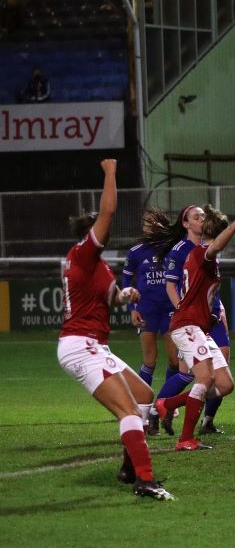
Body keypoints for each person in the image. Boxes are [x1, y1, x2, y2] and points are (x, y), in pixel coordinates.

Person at [56, 159, 173, 500]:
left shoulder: (95, 265)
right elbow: (107, 213)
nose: (105, 232)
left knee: (144, 398)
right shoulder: (84, 253)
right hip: (82, 345)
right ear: (91, 234)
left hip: (94, 344)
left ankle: (128, 468)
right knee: (130, 412)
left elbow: (112, 297)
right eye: (100, 230)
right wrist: (110, 173)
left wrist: (127, 295)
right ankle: (146, 480)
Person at [154, 197, 235, 451]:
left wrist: (212, 315)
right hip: (186, 325)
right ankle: (186, 439)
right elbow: (216, 246)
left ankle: (169, 404)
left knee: (224, 385)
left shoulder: (207, 257)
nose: (200, 219)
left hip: (200, 327)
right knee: (202, 378)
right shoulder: (202, 253)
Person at [121, 208, 180, 433]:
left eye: (151, 222)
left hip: (169, 310)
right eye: (145, 222)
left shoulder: (172, 247)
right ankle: (142, 414)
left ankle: (166, 402)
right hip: (146, 310)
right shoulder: (136, 251)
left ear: (160, 224)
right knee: (150, 361)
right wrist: (132, 307)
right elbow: (126, 277)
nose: (146, 226)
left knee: (175, 361)